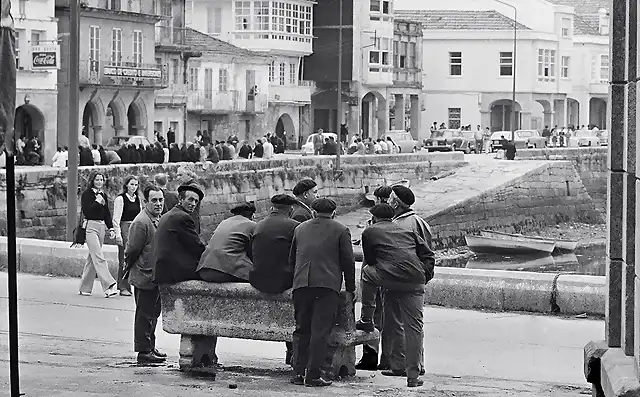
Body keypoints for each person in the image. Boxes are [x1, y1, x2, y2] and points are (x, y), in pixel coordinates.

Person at [356, 204, 435, 388]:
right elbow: (428, 254)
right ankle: (411, 376)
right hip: (415, 280)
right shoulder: (407, 230)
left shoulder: (370, 231)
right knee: (414, 327)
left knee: (366, 272)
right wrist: (424, 275)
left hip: (389, 278)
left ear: (374, 218)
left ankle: (366, 318)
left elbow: (371, 259)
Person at [288, 198, 355, 387]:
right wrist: (350, 288)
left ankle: (298, 373)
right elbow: (348, 262)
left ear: (313, 212)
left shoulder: (300, 229)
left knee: (301, 330)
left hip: (302, 284)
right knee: (320, 331)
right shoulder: (341, 230)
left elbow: (292, 258)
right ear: (334, 212)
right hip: (327, 286)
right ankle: (313, 375)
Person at [250, 194, 300, 365]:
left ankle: (291, 350)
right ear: (291, 210)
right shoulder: (295, 227)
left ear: (272, 208)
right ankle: (295, 352)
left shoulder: (259, 225)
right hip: (281, 282)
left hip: (258, 279)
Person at [125, 186, 167, 364]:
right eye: (154, 200)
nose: (158, 204)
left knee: (153, 313)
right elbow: (132, 249)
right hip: (144, 275)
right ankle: (143, 351)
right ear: (145, 202)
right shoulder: (141, 222)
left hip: (154, 275)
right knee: (144, 314)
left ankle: (150, 346)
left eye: (160, 200)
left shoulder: (156, 219)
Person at [153, 182, 206, 284]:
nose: (193, 204)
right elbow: (196, 246)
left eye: (196, 201)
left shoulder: (168, 214)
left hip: (163, 269)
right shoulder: (183, 217)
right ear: (180, 199)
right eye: (190, 199)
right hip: (173, 271)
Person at [78, 171, 119, 298]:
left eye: (101, 180)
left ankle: (84, 287)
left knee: (92, 258)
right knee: (99, 256)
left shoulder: (103, 194)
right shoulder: (87, 194)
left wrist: (111, 228)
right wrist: (97, 201)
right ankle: (109, 285)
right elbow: (87, 211)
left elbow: (106, 212)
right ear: (92, 181)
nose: (99, 182)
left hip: (101, 227)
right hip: (91, 227)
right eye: (97, 180)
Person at [196, 202, 257, 282]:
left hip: (204, 269)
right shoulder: (252, 225)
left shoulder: (223, 222)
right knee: (261, 277)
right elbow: (254, 252)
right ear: (252, 215)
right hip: (224, 271)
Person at [113, 176, 142, 296]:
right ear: (126, 185)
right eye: (131, 184)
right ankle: (122, 285)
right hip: (125, 228)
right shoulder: (120, 199)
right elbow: (116, 219)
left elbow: (140, 215)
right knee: (124, 258)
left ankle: (131, 284)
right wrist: (118, 235)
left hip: (134, 228)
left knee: (134, 257)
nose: (133, 187)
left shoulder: (138, 199)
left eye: (135, 185)